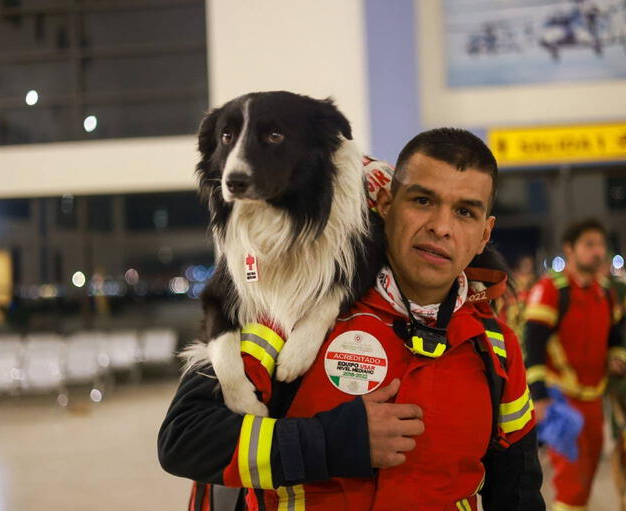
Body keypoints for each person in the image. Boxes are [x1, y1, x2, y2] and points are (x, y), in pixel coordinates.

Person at [158, 128, 545, 511]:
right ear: (387, 204)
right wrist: (334, 440)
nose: (441, 227)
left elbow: (517, 491)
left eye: (465, 211)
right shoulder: (291, 311)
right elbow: (185, 439)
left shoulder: (495, 348)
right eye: (423, 200)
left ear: (484, 234)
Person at [523, 218, 626, 511]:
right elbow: (534, 346)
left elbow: (615, 334)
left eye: (601, 245)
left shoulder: (604, 291)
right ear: (569, 249)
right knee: (572, 482)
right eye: (589, 245)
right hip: (562, 400)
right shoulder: (550, 289)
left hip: (595, 399)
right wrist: (540, 396)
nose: (598, 252)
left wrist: (617, 356)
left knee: (588, 475)